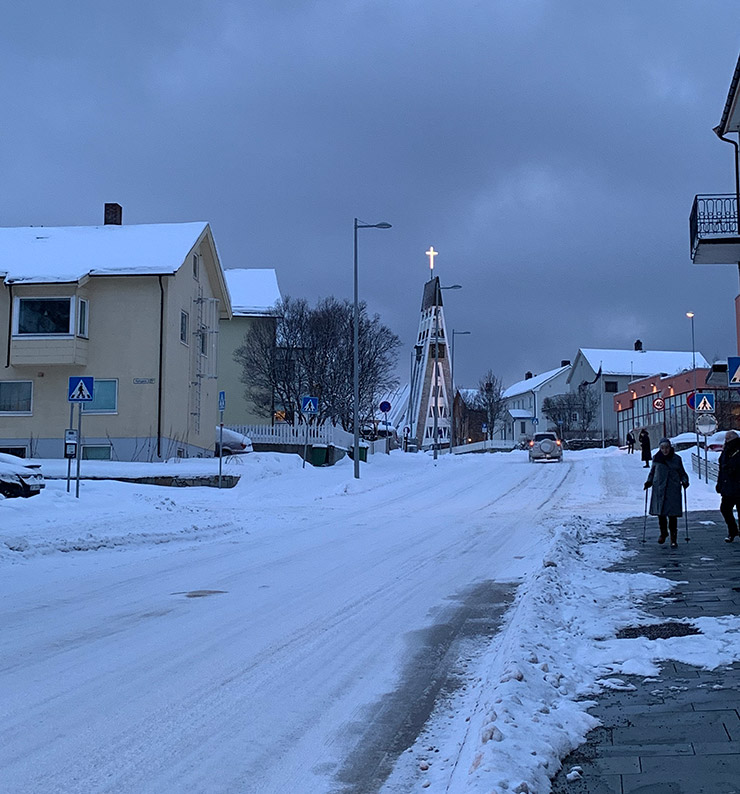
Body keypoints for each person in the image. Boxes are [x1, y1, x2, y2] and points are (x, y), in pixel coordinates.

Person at [644, 437, 689, 548]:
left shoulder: (676, 459)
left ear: (670, 447)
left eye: (667, 448)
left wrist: (684, 481)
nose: (665, 450)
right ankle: (663, 533)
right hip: (659, 489)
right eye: (662, 448)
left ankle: (674, 539)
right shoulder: (656, 458)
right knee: (661, 514)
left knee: (672, 516)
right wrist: (649, 482)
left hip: (672, 490)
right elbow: (652, 472)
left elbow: (682, 473)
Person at [715, 429, 740, 543]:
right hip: (728, 486)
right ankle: (733, 530)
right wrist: (719, 484)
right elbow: (722, 469)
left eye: (728, 438)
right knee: (725, 509)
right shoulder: (726, 450)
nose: (726, 441)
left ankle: (734, 532)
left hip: (738, 486)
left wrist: (733, 470)